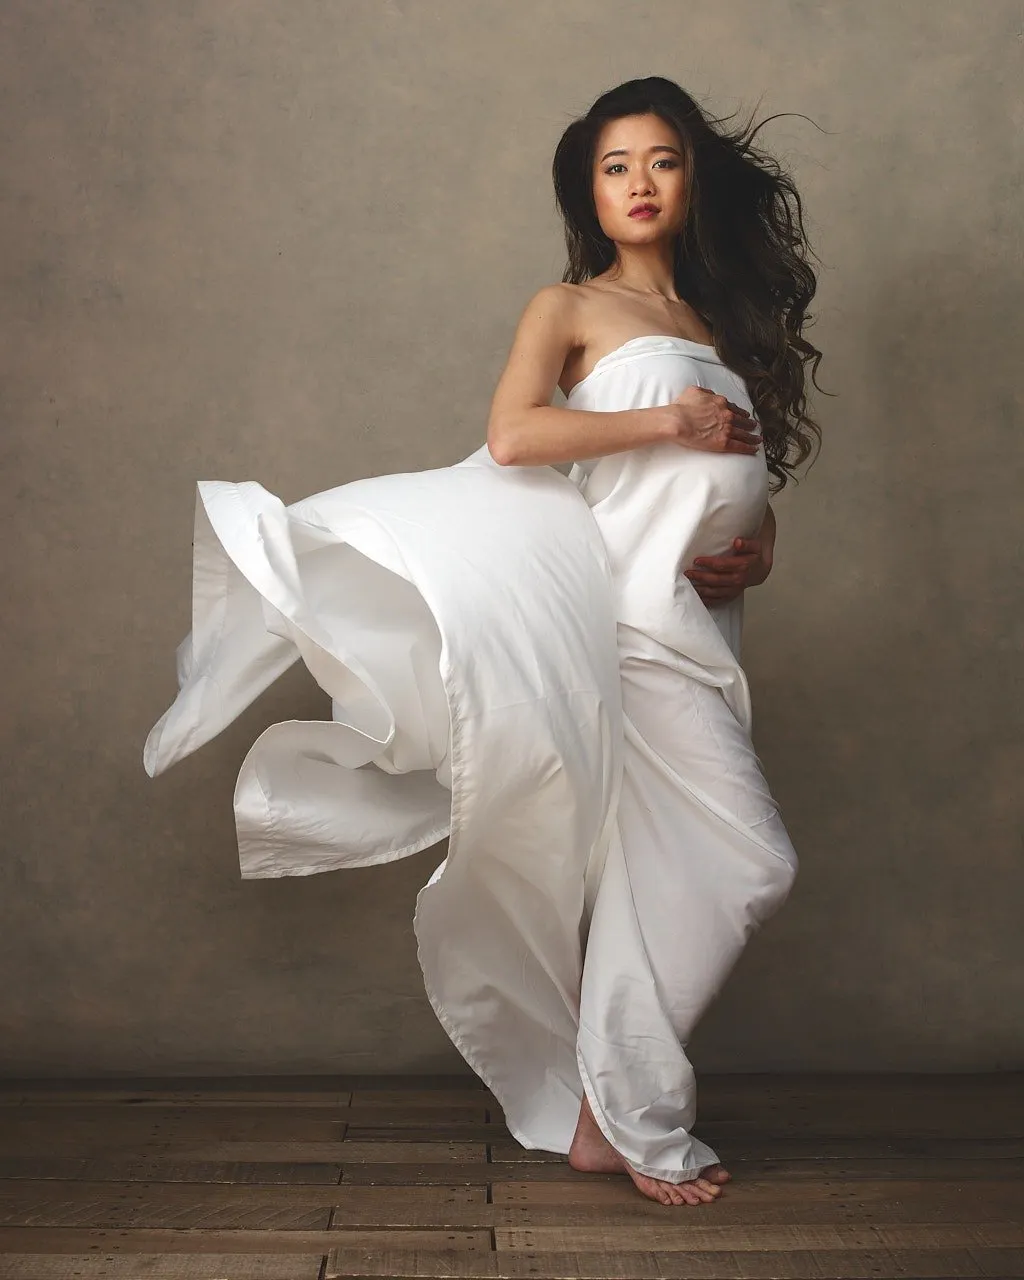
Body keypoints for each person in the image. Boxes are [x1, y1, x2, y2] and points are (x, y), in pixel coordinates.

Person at [144, 76, 824, 1208]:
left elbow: (731, 487)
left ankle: (613, 1108)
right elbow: (515, 435)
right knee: (752, 859)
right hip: (617, 627)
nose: (639, 183)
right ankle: (622, 1104)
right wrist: (668, 418)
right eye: (614, 167)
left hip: (692, 622)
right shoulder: (569, 307)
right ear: (590, 195)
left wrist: (757, 553)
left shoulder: (717, 326)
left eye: (659, 160)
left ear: (692, 176)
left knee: (673, 870)